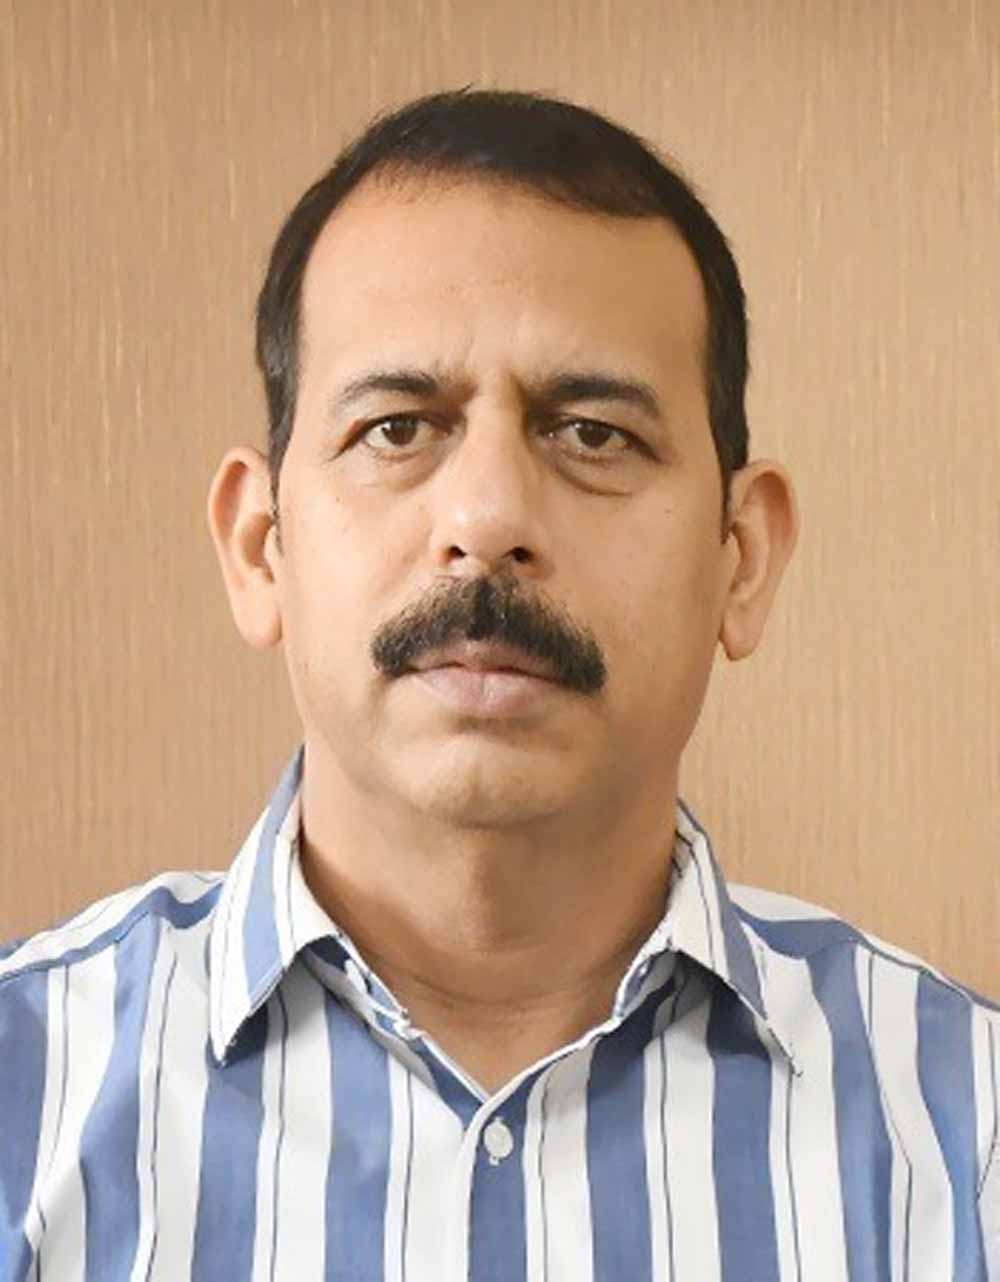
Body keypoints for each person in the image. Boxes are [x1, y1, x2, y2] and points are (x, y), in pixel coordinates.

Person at [0, 85, 996, 1282]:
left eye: (591, 433)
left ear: (740, 557)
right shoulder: (25, 1098)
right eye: (396, 427)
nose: (485, 519)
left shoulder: (967, 1134)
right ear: (261, 547)